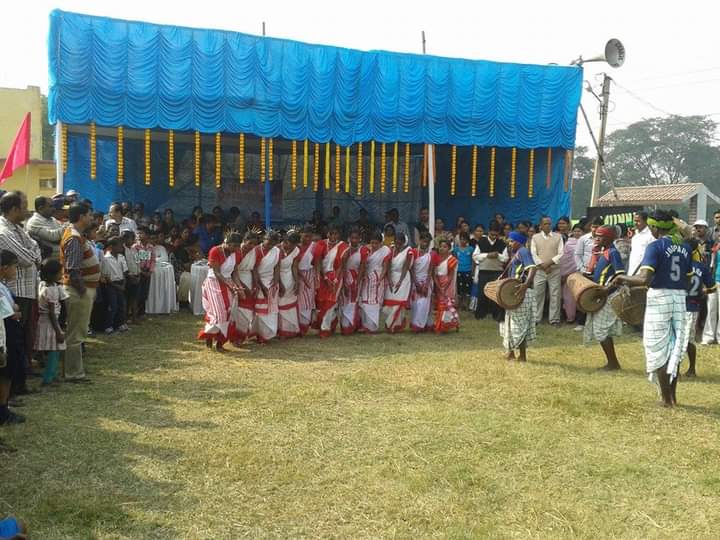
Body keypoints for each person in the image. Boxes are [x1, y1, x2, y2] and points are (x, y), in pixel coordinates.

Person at [615, 210, 691, 407]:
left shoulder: (655, 246)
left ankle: (666, 400)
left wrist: (621, 278)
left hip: (659, 298)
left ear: (656, 228)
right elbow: (689, 279)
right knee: (674, 348)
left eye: (651, 227)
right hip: (679, 298)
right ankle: (673, 396)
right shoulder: (684, 246)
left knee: (657, 348)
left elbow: (643, 278)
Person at [0, 192, 41, 386]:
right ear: (14, 209)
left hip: (28, 289)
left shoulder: (18, 229)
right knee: (15, 338)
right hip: (14, 292)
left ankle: (22, 375)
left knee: (26, 334)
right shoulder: (3, 231)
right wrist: (33, 254)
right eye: (24, 207)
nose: (27, 210)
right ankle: (16, 382)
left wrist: (33, 254)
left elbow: (36, 250)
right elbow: (26, 259)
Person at [60, 203, 100, 383]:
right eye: (89, 215)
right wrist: (84, 292)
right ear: (82, 216)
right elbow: (73, 270)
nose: (91, 218)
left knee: (77, 332)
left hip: (82, 289)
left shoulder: (76, 235)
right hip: (78, 291)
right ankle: (73, 373)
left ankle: (74, 370)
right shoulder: (74, 238)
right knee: (76, 334)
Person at [582, 226, 624, 370]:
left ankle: (613, 363)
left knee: (601, 330)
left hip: (608, 296)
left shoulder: (613, 253)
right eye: (596, 236)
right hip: (600, 295)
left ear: (609, 238)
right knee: (601, 329)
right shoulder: (603, 252)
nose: (597, 239)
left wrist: (607, 290)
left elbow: (620, 275)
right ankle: (612, 362)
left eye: (600, 236)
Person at [198, 233, 243, 352]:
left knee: (229, 313)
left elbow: (235, 272)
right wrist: (231, 285)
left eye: (237, 246)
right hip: (214, 283)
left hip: (228, 283)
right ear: (226, 242)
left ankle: (220, 343)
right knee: (219, 314)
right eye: (233, 246)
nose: (235, 249)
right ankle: (209, 335)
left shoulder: (237, 253)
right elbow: (217, 273)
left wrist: (238, 286)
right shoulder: (215, 251)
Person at [499, 231, 537, 362]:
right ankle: (510, 353)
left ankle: (522, 356)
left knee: (519, 325)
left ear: (519, 241)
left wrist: (526, 284)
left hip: (521, 292)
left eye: (511, 241)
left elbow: (533, 268)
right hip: (514, 292)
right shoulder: (516, 253)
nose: (509, 244)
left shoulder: (523, 251)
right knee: (509, 323)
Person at [684, 240, 716, 376]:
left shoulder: (681, 264)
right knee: (688, 339)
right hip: (693, 306)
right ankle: (691, 369)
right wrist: (702, 292)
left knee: (679, 339)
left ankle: (676, 370)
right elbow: (712, 288)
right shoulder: (701, 267)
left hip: (678, 304)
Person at [0, 250, 24, 425]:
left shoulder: (3, 286)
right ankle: (3, 412)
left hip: (8, 332)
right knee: (5, 374)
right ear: (4, 268)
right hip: (5, 334)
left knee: (7, 373)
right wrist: (14, 311)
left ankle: (4, 408)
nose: (16, 270)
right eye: (15, 267)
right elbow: (8, 314)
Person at [36, 259, 67, 386]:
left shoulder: (43, 284)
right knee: (54, 350)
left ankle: (52, 374)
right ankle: (48, 378)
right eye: (60, 273)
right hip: (51, 323)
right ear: (52, 274)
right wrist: (58, 331)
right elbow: (52, 313)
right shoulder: (51, 290)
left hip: (44, 321)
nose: (61, 275)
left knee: (53, 349)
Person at [314, 225, 348, 338]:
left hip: (336, 277)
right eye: (331, 233)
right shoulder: (321, 244)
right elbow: (318, 263)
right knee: (322, 302)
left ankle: (325, 329)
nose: (333, 236)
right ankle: (332, 321)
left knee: (331, 301)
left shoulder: (343, 246)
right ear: (327, 233)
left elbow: (342, 266)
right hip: (323, 276)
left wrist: (335, 279)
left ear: (339, 235)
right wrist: (324, 277)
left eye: (336, 234)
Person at [530, 216, 564, 326]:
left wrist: (549, 263)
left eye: (549, 223)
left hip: (554, 270)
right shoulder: (535, 237)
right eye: (545, 224)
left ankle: (554, 319)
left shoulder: (558, 237)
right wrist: (543, 265)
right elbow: (533, 254)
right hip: (540, 270)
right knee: (537, 294)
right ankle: (536, 319)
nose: (548, 226)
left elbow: (561, 253)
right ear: (540, 225)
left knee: (555, 294)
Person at [230, 232, 260, 344]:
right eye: (250, 243)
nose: (252, 246)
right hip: (236, 281)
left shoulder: (254, 252)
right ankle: (234, 336)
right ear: (244, 240)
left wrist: (255, 284)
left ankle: (241, 336)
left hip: (249, 280)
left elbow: (254, 269)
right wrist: (242, 287)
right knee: (237, 309)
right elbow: (233, 271)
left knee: (247, 310)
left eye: (254, 244)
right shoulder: (236, 251)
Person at [359, 232, 391, 333]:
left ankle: (372, 326)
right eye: (372, 243)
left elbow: (385, 267)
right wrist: (364, 276)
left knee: (374, 303)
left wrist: (380, 280)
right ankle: (366, 325)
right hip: (366, 279)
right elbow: (363, 265)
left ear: (381, 243)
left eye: (376, 243)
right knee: (365, 301)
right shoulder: (365, 250)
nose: (374, 245)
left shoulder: (385, 251)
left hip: (378, 279)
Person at [382, 232, 414, 333]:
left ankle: (393, 325)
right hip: (392, 277)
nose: (398, 245)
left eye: (400, 243)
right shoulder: (391, 250)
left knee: (398, 304)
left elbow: (405, 267)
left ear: (404, 242)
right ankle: (393, 324)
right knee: (389, 304)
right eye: (396, 242)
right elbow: (388, 265)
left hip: (403, 278)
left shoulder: (408, 251)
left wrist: (400, 281)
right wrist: (389, 280)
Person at [253, 231, 282, 343]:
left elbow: (277, 266)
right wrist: (261, 285)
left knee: (271, 309)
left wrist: (276, 280)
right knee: (260, 309)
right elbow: (254, 269)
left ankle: (268, 334)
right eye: (268, 243)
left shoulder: (277, 251)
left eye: (272, 244)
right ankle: (259, 333)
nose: (270, 246)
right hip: (258, 281)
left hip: (271, 282)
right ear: (263, 239)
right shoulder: (256, 250)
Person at [340, 228, 368, 335]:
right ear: (349, 238)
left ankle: (352, 325)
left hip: (356, 278)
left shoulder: (363, 250)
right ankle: (345, 325)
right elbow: (342, 267)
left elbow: (362, 267)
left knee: (353, 301)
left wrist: (357, 282)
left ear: (360, 239)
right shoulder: (345, 250)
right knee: (344, 301)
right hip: (345, 277)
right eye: (352, 238)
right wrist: (344, 281)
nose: (354, 240)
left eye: (356, 238)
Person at [100, 237, 129, 335]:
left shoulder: (121, 257)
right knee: (113, 306)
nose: (121, 247)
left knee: (121, 304)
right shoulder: (106, 259)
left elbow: (125, 271)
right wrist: (117, 286)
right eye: (119, 245)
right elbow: (106, 276)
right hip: (111, 284)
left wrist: (123, 284)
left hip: (121, 282)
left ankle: (120, 324)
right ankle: (108, 326)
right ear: (112, 246)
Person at [410, 231, 436, 332]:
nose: (425, 244)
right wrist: (416, 283)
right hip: (415, 281)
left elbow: (430, 270)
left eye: (428, 242)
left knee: (424, 304)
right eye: (424, 241)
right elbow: (411, 269)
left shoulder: (432, 254)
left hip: (427, 282)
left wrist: (426, 284)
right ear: (419, 240)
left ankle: (419, 325)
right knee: (415, 304)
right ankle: (418, 323)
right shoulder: (413, 252)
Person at [25, 196, 64, 260]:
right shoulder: (34, 222)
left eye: (53, 206)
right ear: (40, 208)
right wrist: (69, 227)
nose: (54, 209)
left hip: (60, 254)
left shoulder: (52, 219)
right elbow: (53, 236)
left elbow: (62, 233)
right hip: (49, 259)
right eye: (50, 206)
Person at [278, 231, 301, 338]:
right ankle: (279, 329)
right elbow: (275, 268)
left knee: (289, 304)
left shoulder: (296, 250)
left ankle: (289, 329)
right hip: (277, 278)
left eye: (293, 244)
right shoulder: (276, 250)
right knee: (280, 304)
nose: (289, 246)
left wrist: (296, 281)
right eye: (287, 243)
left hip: (289, 278)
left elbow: (294, 267)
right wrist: (280, 283)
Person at [433, 239, 459, 333]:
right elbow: (434, 274)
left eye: (445, 247)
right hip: (438, 284)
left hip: (448, 285)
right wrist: (438, 285)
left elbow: (451, 275)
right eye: (440, 246)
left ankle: (444, 325)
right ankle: (444, 323)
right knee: (440, 305)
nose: (442, 248)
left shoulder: (452, 259)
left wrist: (444, 287)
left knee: (446, 305)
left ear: (449, 248)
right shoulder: (436, 259)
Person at [296, 226, 317, 335]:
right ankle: (295, 326)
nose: (307, 239)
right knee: (297, 302)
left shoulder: (314, 247)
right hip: (296, 276)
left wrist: (316, 279)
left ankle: (304, 326)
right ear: (300, 235)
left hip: (309, 276)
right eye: (305, 236)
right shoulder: (295, 247)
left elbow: (317, 263)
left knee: (307, 302)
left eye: (309, 237)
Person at [560, 224, 583, 325]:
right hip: (568, 273)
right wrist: (564, 272)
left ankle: (580, 317)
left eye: (579, 231)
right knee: (568, 295)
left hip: (581, 272)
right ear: (572, 232)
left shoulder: (585, 242)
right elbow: (565, 259)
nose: (577, 233)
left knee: (580, 294)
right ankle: (570, 317)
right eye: (575, 231)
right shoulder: (568, 244)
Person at [700, 237, 720, 345]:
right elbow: (710, 265)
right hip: (713, 281)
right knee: (711, 308)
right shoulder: (715, 247)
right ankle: (708, 336)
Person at [133, 227, 155, 318]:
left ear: (147, 235)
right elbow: (136, 261)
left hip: (147, 272)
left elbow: (153, 260)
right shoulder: (135, 247)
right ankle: (135, 313)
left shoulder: (151, 247)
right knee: (138, 292)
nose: (139, 235)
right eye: (138, 233)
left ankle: (142, 312)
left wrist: (150, 271)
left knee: (145, 292)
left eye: (141, 233)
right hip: (139, 272)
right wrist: (141, 271)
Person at [452, 232, 474, 310]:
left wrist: (472, 270)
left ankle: (466, 305)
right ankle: (459, 304)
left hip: (468, 270)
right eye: (461, 239)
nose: (462, 241)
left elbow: (473, 261)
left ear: (467, 240)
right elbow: (454, 260)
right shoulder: (456, 249)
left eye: (464, 239)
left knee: (467, 289)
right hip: (459, 270)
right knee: (459, 288)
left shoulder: (471, 249)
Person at [122, 231, 140, 324]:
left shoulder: (134, 250)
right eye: (130, 239)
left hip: (136, 275)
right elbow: (123, 265)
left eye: (133, 239)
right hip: (127, 277)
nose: (132, 241)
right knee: (126, 298)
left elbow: (138, 262)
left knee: (134, 298)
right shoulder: (122, 250)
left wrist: (139, 274)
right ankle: (124, 319)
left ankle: (134, 318)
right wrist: (130, 275)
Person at [628, 211, 652, 275]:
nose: (635, 223)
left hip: (642, 273)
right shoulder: (635, 236)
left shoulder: (650, 235)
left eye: (638, 221)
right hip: (632, 272)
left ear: (645, 221)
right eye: (634, 221)